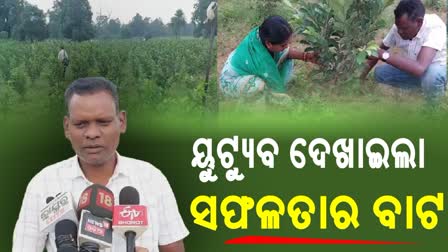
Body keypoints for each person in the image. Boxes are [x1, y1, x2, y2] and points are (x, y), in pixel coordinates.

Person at [13, 77, 189, 252]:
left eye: (103, 122)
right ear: (67, 127)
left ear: (121, 122)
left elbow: (172, 246)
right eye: (81, 124)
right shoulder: (42, 183)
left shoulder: (152, 178)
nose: (92, 133)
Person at [361, 0, 447, 103]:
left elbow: (419, 68)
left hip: (431, 70)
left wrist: (383, 55)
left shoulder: (435, 27)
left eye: (404, 28)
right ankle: (420, 89)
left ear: (419, 22)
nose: (400, 32)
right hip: (411, 70)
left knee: (432, 76)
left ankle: (434, 104)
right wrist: (360, 78)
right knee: (380, 73)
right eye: (398, 27)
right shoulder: (398, 28)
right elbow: (378, 51)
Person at [220, 15, 318, 99]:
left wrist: (305, 56)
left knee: (287, 59)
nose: (287, 47)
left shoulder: (263, 35)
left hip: (243, 61)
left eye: (288, 43)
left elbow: (286, 52)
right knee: (258, 86)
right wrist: (284, 97)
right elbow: (275, 85)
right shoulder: (262, 60)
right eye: (283, 45)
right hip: (231, 80)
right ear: (269, 44)